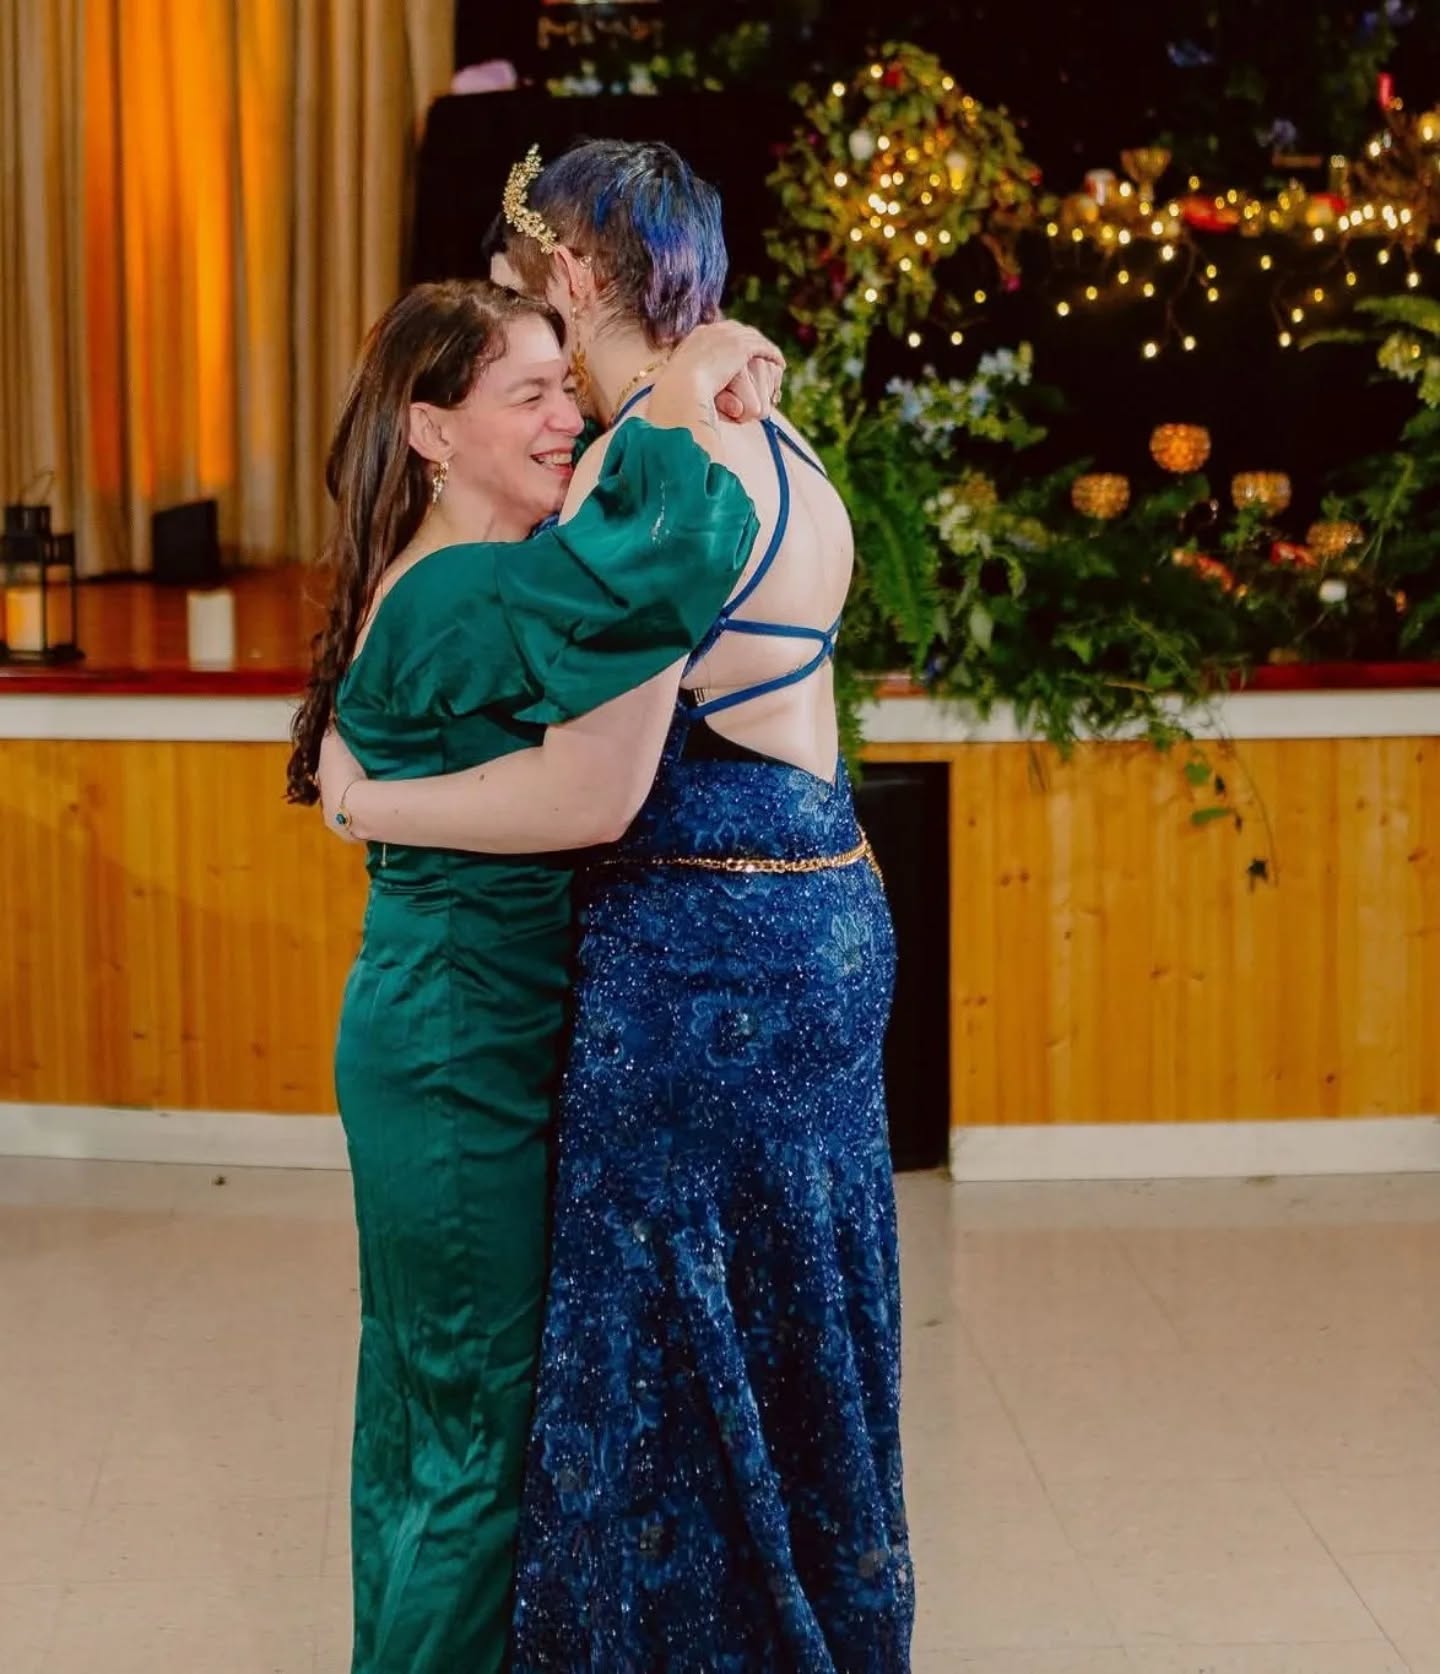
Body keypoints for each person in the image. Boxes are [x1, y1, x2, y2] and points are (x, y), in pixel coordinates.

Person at [318, 140, 913, 1671]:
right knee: (786, 1338)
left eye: (524, 300)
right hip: (821, 907)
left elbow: (592, 789)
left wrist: (371, 799)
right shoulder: (759, 442)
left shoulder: (657, 476)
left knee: (667, 1355)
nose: (534, 350)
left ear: (575, 280)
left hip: (705, 949)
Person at [288, 276, 781, 1674]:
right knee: (475, 1446)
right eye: (532, 394)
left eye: (572, 387)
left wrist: (366, 802)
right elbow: (680, 546)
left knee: (424, 1421)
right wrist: (677, 396)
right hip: (452, 1059)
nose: (567, 418)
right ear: (433, 432)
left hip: (444, 1041)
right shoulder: (466, 585)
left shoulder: (461, 578)